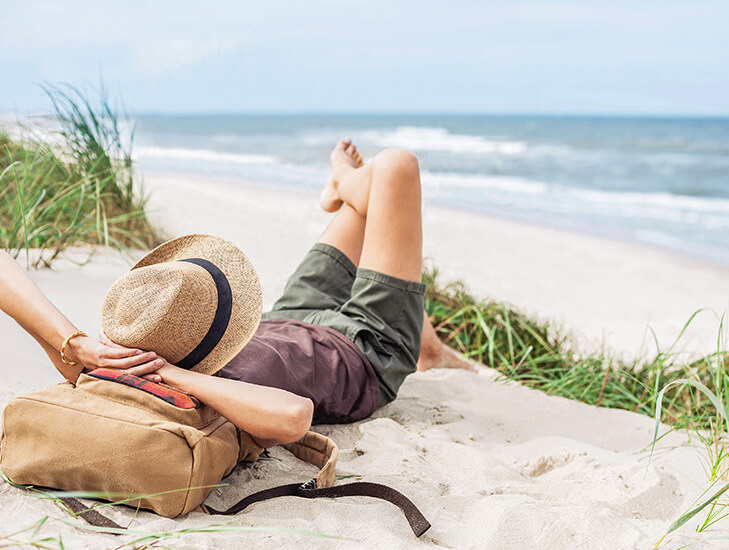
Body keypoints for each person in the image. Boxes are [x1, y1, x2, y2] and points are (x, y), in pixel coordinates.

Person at [0, 139, 474, 450]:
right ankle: (345, 188)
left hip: (285, 318)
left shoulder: (108, 362)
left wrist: (74, 342)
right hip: (366, 350)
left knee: (378, 195)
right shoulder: (183, 399)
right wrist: (171, 375)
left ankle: (346, 191)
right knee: (394, 167)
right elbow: (294, 415)